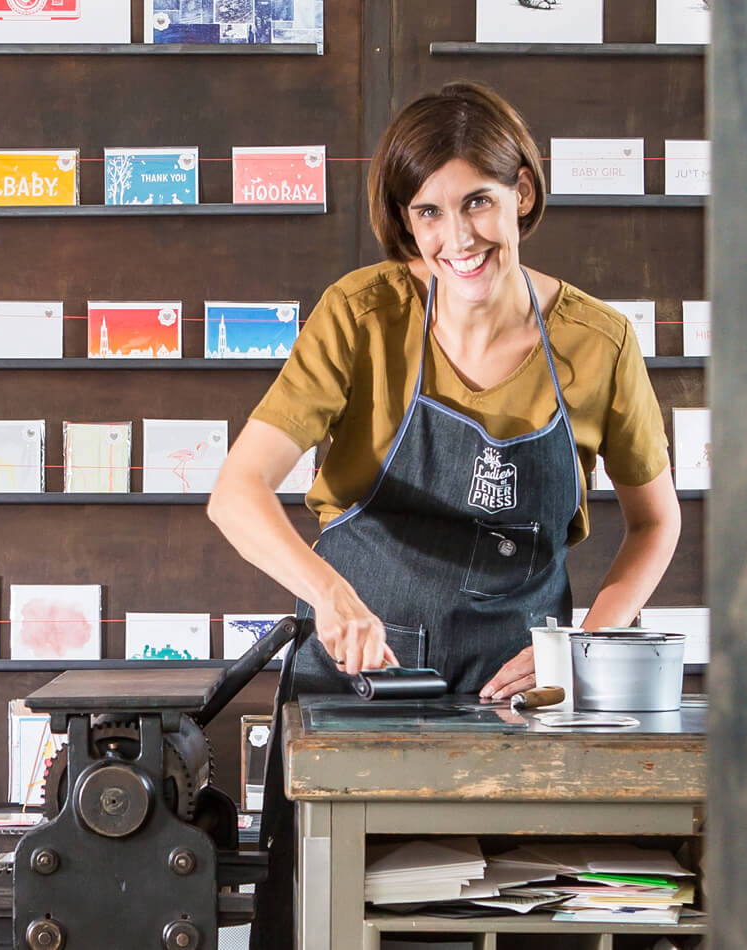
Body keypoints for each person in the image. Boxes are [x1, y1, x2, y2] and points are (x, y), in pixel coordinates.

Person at [209, 80, 681, 705]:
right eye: (429, 212)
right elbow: (235, 494)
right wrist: (330, 596)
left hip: (520, 690)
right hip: (362, 679)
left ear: (523, 192)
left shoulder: (601, 342)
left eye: (478, 202)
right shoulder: (361, 315)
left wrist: (580, 649)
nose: (458, 240)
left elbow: (656, 523)